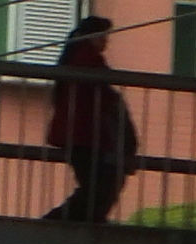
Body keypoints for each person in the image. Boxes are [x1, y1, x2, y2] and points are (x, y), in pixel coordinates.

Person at [43, 17, 137, 223]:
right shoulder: (87, 59)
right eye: (103, 37)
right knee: (99, 186)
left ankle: (72, 220)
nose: (106, 42)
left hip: (79, 134)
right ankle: (60, 220)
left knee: (95, 185)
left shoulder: (76, 57)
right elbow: (102, 96)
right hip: (84, 135)